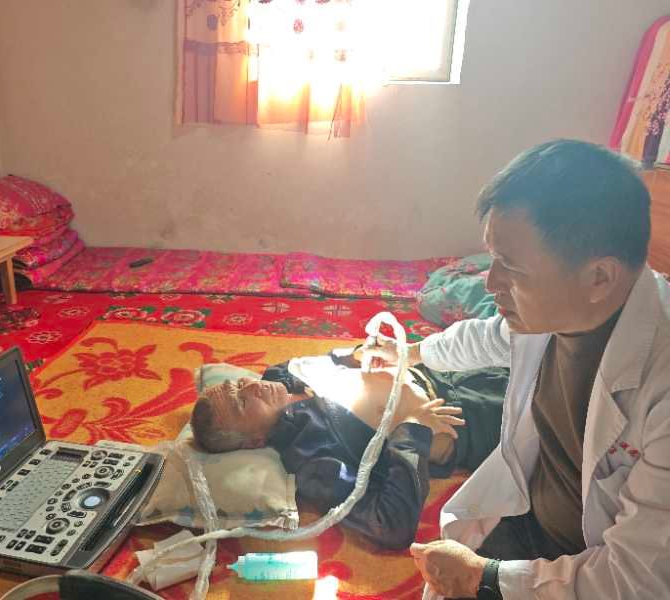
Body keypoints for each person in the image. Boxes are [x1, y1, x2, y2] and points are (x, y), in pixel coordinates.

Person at [364, 140, 670, 599]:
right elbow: (486, 337)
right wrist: (411, 353)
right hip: (531, 521)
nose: (490, 283)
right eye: (492, 259)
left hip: (597, 569)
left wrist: (482, 577)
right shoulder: (554, 313)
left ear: (599, 277)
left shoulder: (660, 386)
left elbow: (635, 579)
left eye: (510, 267)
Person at [191, 352, 508, 550]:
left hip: (455, 369)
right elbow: (390, 524)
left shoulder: (280, 376)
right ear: (253, 442)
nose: (251, 386)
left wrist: (358, 354)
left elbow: (335, 359)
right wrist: (413, 428)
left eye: (238, 384)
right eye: (242, 402)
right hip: (475, 416)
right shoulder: (311, 458)